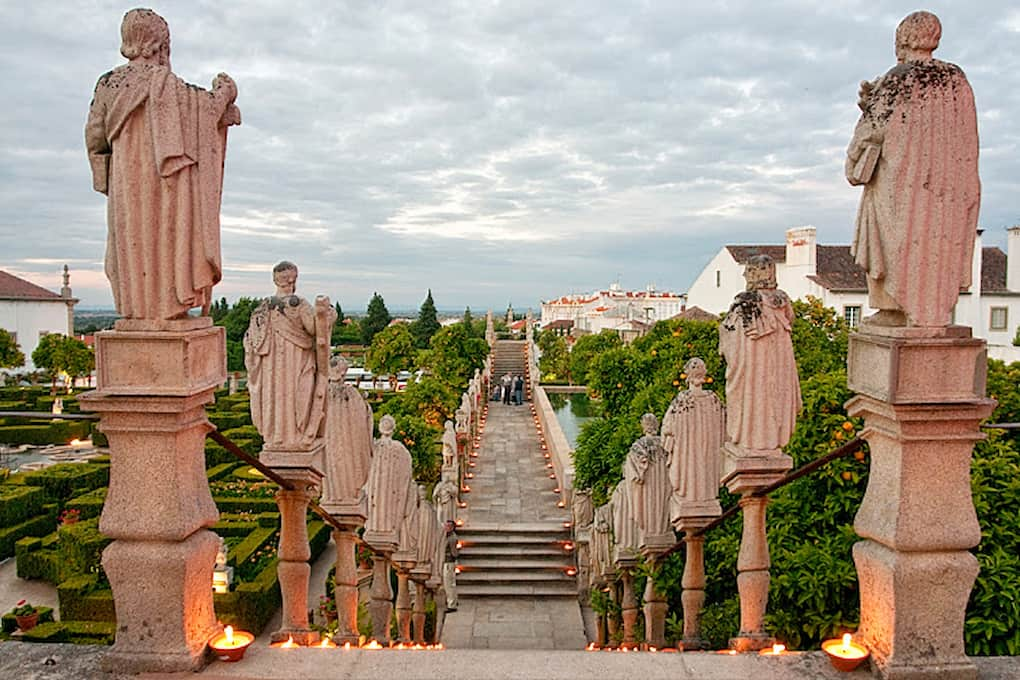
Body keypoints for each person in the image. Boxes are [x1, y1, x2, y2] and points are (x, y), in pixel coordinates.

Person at [85, 8, 240, 320]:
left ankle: (136, 309)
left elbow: (95, 137)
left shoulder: (108, 84)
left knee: (133, 242)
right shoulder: (166, 84)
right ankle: (167, 306)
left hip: (126, 189)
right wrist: (225, 93)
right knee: (166, 236)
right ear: (158, 45)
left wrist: (108, 178)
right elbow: (205, 114)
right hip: (167, 188)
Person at [845, 11, 979, 328]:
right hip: (948, 191)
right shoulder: (957, 81)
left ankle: (894, 307)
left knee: (895, 244)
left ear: (902, 40)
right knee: (932, 247)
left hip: (901, 189)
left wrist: (854, 156)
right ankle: (930, 310)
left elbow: (872, 134)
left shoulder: (898, 79)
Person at [244, 262, 335, 451]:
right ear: (293, 279)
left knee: (276, 396)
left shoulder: (263, 307)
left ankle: (276, 436)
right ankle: (294, 435)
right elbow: (315, 329)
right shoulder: (298, 304)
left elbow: (252, 342)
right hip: (296, 361)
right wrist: (329, 316)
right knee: (294, 396)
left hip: (272, 367)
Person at [719, 255, 801, 452]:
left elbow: (729, 337)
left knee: (753, 397)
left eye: (748, 271)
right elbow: (792, 320)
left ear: (756, 273)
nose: (744, 274)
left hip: (752, 372)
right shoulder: (782, 301)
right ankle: (772, 436)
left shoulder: (746, 304)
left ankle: (751, 437)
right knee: (772, 395)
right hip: (777, 367)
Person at [443, 520, 459, 612]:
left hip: (449, 562)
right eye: (446, 526)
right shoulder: (447, 536)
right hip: (447, 562)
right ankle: (453, 601)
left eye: (448, 526)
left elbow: (454, 552)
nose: (446, 527)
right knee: (450, 583)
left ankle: (451, 604)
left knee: (449, 584)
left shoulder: (452, 538)